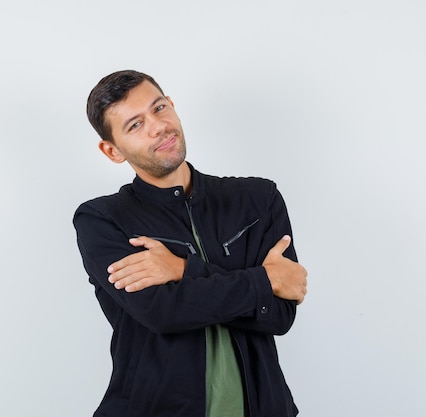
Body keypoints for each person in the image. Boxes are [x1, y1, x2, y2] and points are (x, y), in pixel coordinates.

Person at [73, 70, 308, 417]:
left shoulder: (258, 199)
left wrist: (182, 270)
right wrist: (266, 280)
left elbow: (279, 315)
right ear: (112, 151)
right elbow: (162, 313)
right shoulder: (103, 220)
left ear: (174, 107)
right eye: (135, 125)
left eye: (159, 108)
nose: (157, 126)